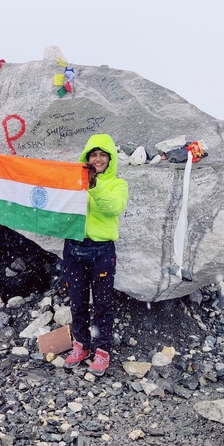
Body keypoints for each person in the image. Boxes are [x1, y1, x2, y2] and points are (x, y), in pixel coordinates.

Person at [63, 133, 129, 376]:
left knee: (102, 304)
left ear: (110, 160)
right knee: (77, 301)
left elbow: (114, 207)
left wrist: (93, 184)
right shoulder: (73, 179)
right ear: (87, 157)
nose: (98, 159)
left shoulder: (118, 184)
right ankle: (80, 345)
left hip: (101, 251)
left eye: (103, 155)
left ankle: (102, 351)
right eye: (93, 155)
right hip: (73, 248)